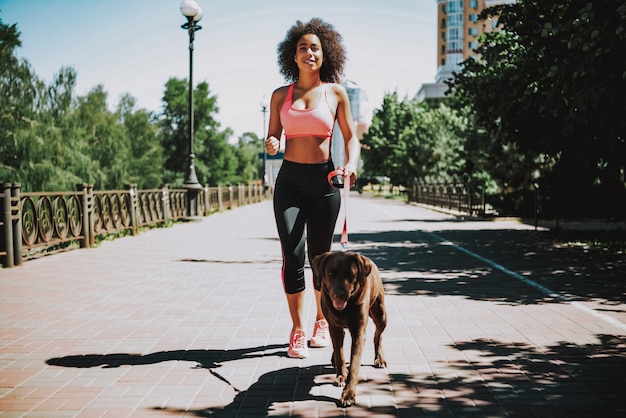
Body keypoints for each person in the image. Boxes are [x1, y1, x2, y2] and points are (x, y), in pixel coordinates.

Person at [265, 18, 361, 359]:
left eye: (315, 48)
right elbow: (273, 136)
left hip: (324, 182)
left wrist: (350, 164)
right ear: (293, 55)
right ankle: (297, 330)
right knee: (292, 257)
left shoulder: (336, 93)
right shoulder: (281, 95)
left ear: (325, 55)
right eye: (303, 47)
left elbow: (351, 138)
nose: (309, 52)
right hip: (289, 182)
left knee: (319, 260)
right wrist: (273, 142)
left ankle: (322, 320)